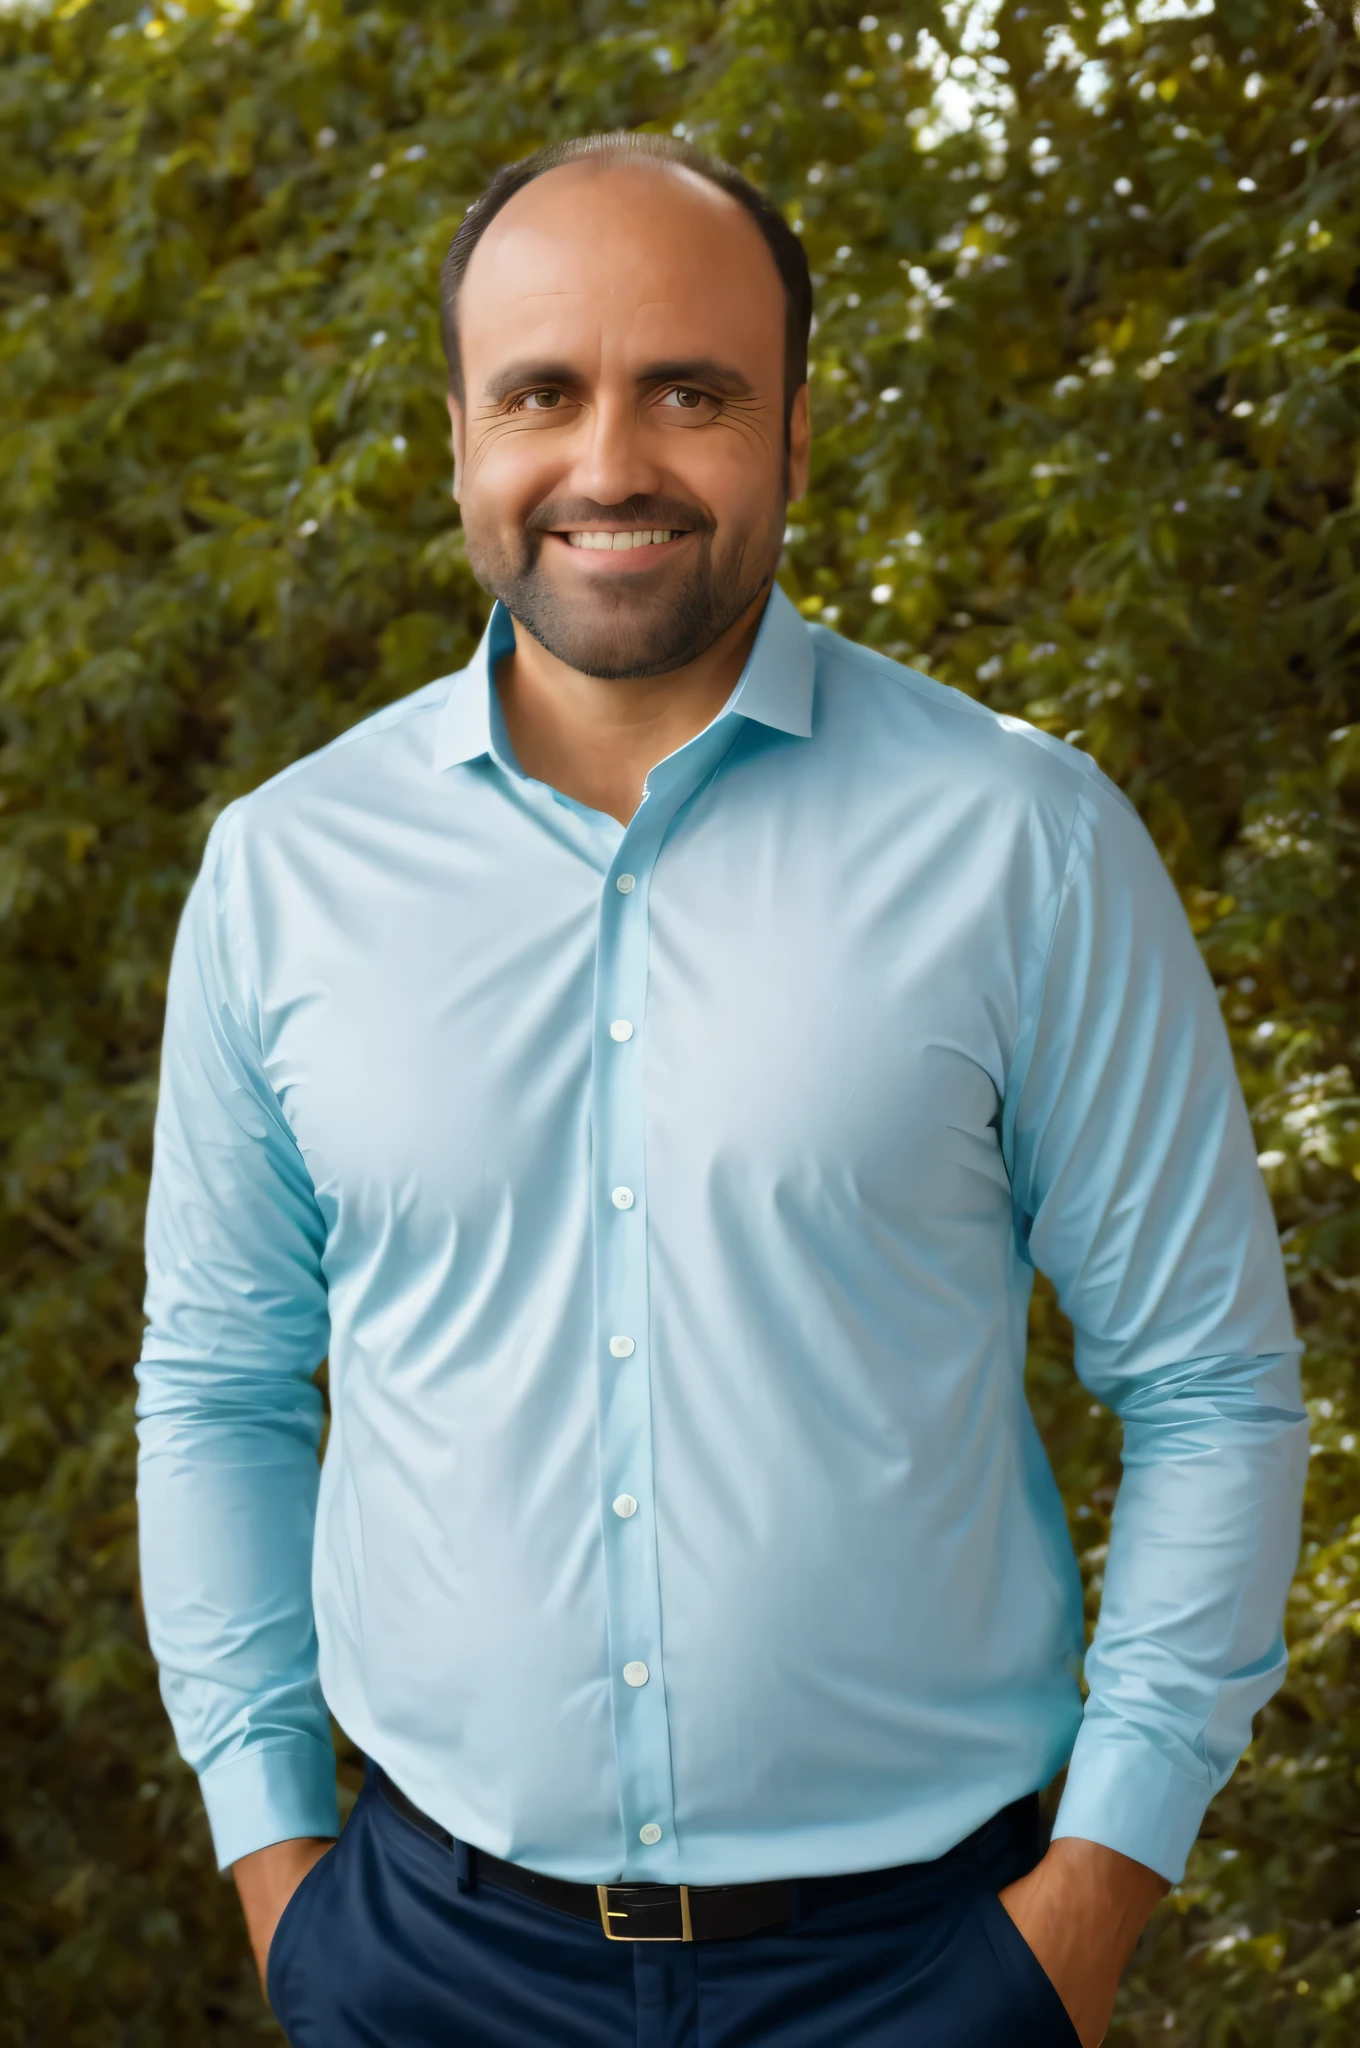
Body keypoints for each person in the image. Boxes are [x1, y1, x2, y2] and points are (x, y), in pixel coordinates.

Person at [135, 132, 1308, 2048]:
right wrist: (280, 1877)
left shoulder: (1024, 843)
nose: (610, 464)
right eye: (543, 392)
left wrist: (1086, 1909)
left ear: (795, 434)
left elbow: (1210, 1387)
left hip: (923, 1972)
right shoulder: (284, 873)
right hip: (423, 1965)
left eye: (692, 390)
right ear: (457, 439)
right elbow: (215, 1389)